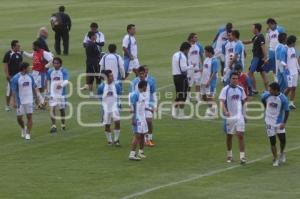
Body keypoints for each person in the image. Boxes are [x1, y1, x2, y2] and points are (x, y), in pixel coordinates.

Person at [219, 72, 247, 165]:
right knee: (229, 136)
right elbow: (222, 102)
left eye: (236, 78)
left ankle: (242, 157)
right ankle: (229, 155)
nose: (235, 80)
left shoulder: (241, 89)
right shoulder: (225, 90)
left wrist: (245, 114)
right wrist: (225, 111)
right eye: (233, 78)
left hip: (239, 117)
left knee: (240, 135)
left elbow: (244, 102)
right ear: (230, 79)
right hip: (230, 117)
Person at [261, 82, 289, 166]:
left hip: (279, 122)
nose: (269, 91)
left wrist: (284, 122)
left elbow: (287, 111)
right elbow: (262, 100)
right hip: (269, 122)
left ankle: (282, 152)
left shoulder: (283, 99)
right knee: (272, 141)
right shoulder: (266, 95)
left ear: (276, 90)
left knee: (283, 140)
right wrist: (267, 108)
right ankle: (275, 159)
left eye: (270, 90)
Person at [11, 62, 40, 140]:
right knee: (19, 118)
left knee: (29, 116)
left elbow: (34, 87)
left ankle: (28, 133)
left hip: (29, 100)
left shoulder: (30, 77)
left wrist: (37, 98)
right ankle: (23, 128)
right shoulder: (15, 78)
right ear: (24, 69)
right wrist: (13, 101)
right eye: (28, 67)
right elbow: (13, 91)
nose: (30, 68)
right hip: (20, 102)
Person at [129, 66, 157, 147]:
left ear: (145, 73)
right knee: (139, 124)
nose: (141, 75)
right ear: (138, 73)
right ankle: (142, 139)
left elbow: (153, 93)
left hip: (148, 104)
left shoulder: (150, 81)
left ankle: (149, 138)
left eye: (143, 73)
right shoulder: (134, 82)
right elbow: (131, 95)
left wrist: (154, 105)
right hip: (138, 107)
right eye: (140, 74)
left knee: (149, 121)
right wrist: (131, 107)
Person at [23, 40, 53, 107]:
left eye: (33, 46)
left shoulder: (44, 53)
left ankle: (43, 102)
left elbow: (51, 59)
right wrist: (23, 52)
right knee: (35, 87)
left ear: (37, 46)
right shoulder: (35, 52)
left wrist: (47, 66)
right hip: (34, 72)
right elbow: (31, 56)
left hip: (41, 73)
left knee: (37, 87)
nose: (32, 47)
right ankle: (41, 102)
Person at [97, 70, 122, 146]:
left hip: (115, 108)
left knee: (117, 122)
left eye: (112, 75)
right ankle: (109, 141)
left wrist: (119, 104)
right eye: (110, 76)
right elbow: (99, 96)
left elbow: (119, 95)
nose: (112, 77)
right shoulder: (101, 86)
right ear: (106, 77)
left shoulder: (116, 85)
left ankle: (116, 140)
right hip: (106, 109)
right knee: (107, 125)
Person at [243, 23, 269, 93]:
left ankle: (254, 89)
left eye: (253, 28)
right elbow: (250, 41)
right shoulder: (256, 36)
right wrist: (241, 42)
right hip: (258, 58)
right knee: (262, 73)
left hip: (257, 58)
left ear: (256, 29)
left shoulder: (260, 37)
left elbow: (263, 47)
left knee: (250, 73)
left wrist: (265, 57)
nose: (252, 29)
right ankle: (267, 90)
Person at [46, 57, 69, 133]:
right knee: (52, 109)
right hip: (53, 94)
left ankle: (63, 124)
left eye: (57, 63)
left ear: (60, 64)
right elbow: (48, 81)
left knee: (62, 110)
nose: (55, 65)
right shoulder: (50, 71)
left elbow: (66, 81)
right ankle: (53, 126)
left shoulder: (63, 71)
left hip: (61, 94)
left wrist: (61, 85)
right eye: (54, 63)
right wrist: (48, 91)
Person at [171, 42, 193, 119]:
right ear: (186, 49)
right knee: (183, 95)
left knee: (178, 94)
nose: (189, 51)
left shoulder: (175, 54)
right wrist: (191, 66)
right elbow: (183, 68)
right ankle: (181, 114)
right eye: (189, 49)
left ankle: (174, 112)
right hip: (181, 77)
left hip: (175, 76)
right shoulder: (182, 56)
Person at [129, 80, 149, 161]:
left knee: (143, 135)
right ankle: (132, 154)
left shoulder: (141, 94)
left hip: (142, 117)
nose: (146, 88)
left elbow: (142, 106)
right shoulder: (135, 95)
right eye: (146, 86)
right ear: (143, 86)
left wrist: (149, 109)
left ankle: (141, 152)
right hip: (137, 118)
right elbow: (133, 108)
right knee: (137, 136)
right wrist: (133, 119)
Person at [3, 40, 23, 111]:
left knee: (20, 89)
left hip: (19, 75)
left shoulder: (19, 53)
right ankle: (7, 105)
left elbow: (21, 64)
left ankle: (18, 104)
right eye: (18, 45)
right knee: (10, 90)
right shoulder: (9, 54)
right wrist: (7, 75)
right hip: (12, 76)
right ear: (13, 46)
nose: (19, 46)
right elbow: (5, 65)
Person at [201, 46, 218, 118]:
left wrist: (209, 81)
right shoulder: (206, 59)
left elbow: (214, 72)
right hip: (203, 81)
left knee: (210, 97)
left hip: (210, 82)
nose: (204, 53)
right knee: (204, 97)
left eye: (205, 52)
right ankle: (211, 108)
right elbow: (204, 69)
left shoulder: (214, 60)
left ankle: (213, 112)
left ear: (209, 52)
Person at [186, 33, 204, 103]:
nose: (197, 38)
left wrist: (202, 65)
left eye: (197, 37)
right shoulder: (187, 45)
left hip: (197, 68)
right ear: (191, 38)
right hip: (189, 68)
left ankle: (197, 98)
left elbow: (202, 55)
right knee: (189, 84)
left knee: (197, 83)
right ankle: (187, 97)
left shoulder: (199, 45)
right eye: (195, 37)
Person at [284, 35, 299, 109]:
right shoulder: (285, 49)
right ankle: (281, 100)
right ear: (292, 42)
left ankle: (291, 103)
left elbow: (295, 60)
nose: (295, 43)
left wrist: (298, 68)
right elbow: (282, 61)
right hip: (289, 72)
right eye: (295, 42)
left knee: (294, 87)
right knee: (289, 87)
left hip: (295, 71)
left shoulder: (293, 49)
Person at [85, 31, 102, 97]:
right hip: (94, 63)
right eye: (95, 35)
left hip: (89, 62)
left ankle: (91, 93)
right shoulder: (93, 44)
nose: (96, 36)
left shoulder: (88, 43)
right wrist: (101, 55)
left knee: (90, 77)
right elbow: (97, 53)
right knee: (98, 77)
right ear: (92, 36)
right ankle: (98, 92)